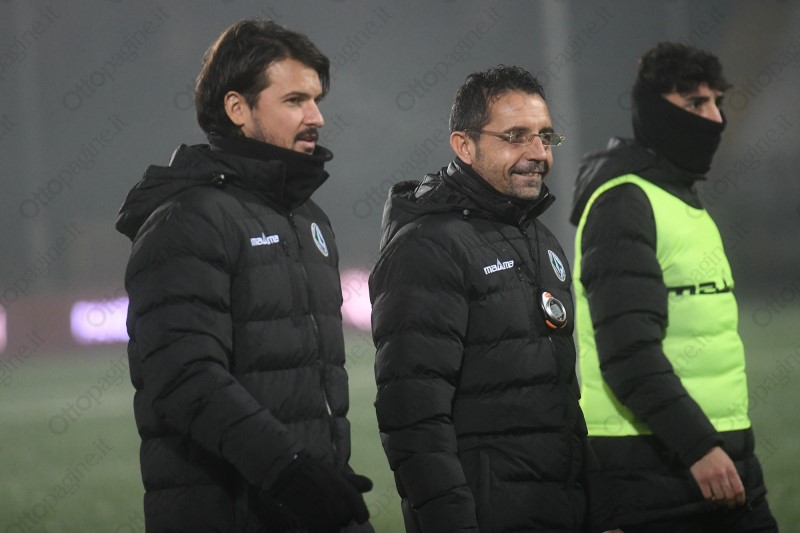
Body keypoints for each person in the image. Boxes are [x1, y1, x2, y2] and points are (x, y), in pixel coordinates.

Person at [116, 19, 373, 533]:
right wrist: (290, 472)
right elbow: (185, 377)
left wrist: (323, 477)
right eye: (295, 100)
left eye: (316, 100)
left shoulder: (308, 219)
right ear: (237, 108)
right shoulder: (186, 219)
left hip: (307, 508)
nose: (316, 117)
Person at [369, 65, 614, 532]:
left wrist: (600, 512)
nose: (537, 153)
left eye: (545, 137)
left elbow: (563, 399)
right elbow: (412, 417)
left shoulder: (540, 239)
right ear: (465, 146)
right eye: (515, 136)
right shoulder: (427, 246)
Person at [571, 42, 778, 532]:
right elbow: (628, 354)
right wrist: (699, 446)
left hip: (716, 454)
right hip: (654, 465)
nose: (715, 118)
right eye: (694, 103)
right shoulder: (623, 202)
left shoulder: (678, 197)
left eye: (716, 102)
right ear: (653, 110)